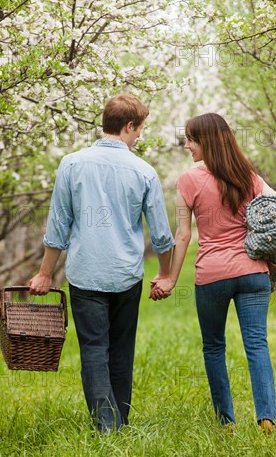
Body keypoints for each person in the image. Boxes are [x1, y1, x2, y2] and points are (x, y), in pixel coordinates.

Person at [29, 94, 175, 433]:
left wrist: (45, 273)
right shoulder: (144, 171)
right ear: (128, 126)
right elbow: (162, 234)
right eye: (139, 129)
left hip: (85, 273)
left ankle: (106, 426)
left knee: (94, 349)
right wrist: (165, 273)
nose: (139, 135)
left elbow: (58, 227)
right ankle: (119, 422)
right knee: (122, 350)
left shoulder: (71, 163)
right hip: (126, 275)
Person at [150, 112, 276, 433]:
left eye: (191, 139)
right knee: (257, 344)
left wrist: (171, 279)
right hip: (253, 271)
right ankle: (266, 419)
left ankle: (226, 422)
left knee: (214, 346)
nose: (188, 145)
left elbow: (184, 235)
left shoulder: (188, 180)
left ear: (206, 140)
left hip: (212, 275)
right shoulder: (248, 175)